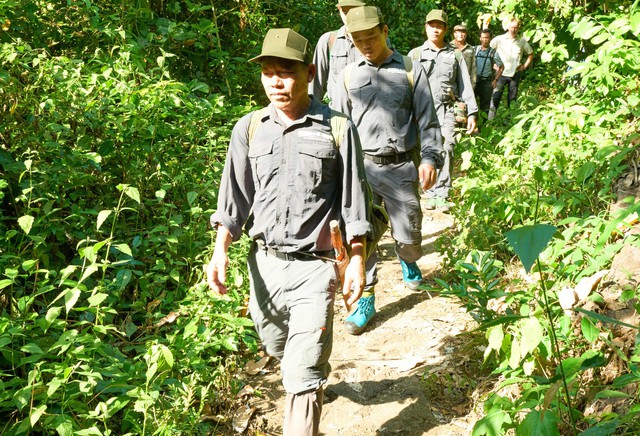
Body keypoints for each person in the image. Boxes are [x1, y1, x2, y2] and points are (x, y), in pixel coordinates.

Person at [205, 28, 370, 435]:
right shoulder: (249, 128)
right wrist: (220, 250)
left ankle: (308, 386)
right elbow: (234, 199)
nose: (276, 82)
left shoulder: (337, 129)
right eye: (267, 73)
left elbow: (354, 202)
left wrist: (357, 261)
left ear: (309, 72)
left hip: (316, 267)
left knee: (301, 372)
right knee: (277, 347)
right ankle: (310, 365)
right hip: (264, 266)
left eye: (286, 72)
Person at [332, 6, 443, 334]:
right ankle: (366, 299)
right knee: (360, 236)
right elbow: (337, 127)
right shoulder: (348, 76)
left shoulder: (410, 70)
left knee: (409, 234)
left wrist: (430, 158)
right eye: (358, 40)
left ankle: (407, 257)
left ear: (385, 30)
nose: (365, 44)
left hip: (401, 167)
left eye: (371, 37)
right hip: (361, 169)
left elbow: (428, 118)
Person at [409, 9, 478, 212]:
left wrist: (472, 113)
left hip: (447, 109)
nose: (435, 29)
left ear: (445, 29)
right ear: (426, 27)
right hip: (421, 112)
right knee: (424, 149)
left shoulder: (455, 55)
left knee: (447, 146)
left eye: (439, 26)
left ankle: (442, 193)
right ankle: (429, 192)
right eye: (432, 25)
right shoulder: (415, 55)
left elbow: (465, 84)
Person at [310, 0, 366, 103]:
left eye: (354, 11)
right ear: (339, 10)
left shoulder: (376, 41)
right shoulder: (329, 40)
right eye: (345, 12)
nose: (350, 17)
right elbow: (315, 85)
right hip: (336, 114)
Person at [488, 17, 534, 119]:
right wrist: (493, 65)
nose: (514, 29)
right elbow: (488, 52)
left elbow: (531, 54)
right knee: (495, 98)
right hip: (500, 74)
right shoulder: (499, 39)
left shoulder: (521, 41)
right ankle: (489, 122)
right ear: (508, 27)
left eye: (516, 27)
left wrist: (524, 66)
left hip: (515, 74)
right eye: (512, 27)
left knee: (512, 100)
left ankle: (510, 122)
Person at [475, 28, 503, 114]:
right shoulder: (475, 50)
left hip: (486, 83)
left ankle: (483, 126)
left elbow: (501, 67)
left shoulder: (493, 53)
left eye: (486, 37)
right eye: (483, 37)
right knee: (470, 103)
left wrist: (495, 80)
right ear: (480, 38)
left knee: (485, 107)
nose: (484, 40)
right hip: (474, 81)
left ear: (490, 38)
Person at [450, 23, 477, 88]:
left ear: (466, 34)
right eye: (458, 32)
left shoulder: (470, 48)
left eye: (463, 32)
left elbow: (474, 68)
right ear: (454, 34)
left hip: (466, 82)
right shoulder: (448, 47)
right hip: (451, 82)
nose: (461, 34)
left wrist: (472, 84)